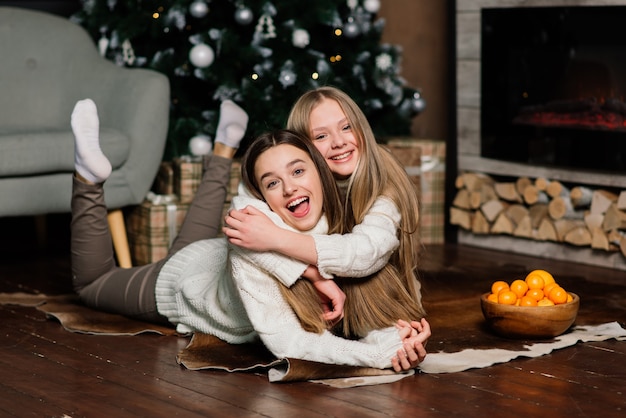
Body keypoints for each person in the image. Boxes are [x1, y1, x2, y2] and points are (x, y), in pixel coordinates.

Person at [69, 99, 429, 371]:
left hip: (212, 254)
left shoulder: (344, 207)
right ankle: (87, 178)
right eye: (273, 182)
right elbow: (289, 341)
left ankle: (225, 147)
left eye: (298, 171)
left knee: (193, 240)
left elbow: (365, 273)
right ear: (261, 193)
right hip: (184, 283)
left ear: (319, 171)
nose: (289, 188)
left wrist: (396, 340)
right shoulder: (255, 228)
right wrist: (373, 355)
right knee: (92, 284)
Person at [224, 86, 425, 341]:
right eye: (321, 136)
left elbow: (364, 254)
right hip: (201, 276)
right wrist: (312, 274)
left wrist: (275, 238)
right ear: (303, 147)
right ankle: (222, 153)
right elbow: (240, 217)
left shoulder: (384, 182)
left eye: (346, 127)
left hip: (370, 280)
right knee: (190, 251)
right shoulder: (292, 176)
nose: (339, 142)